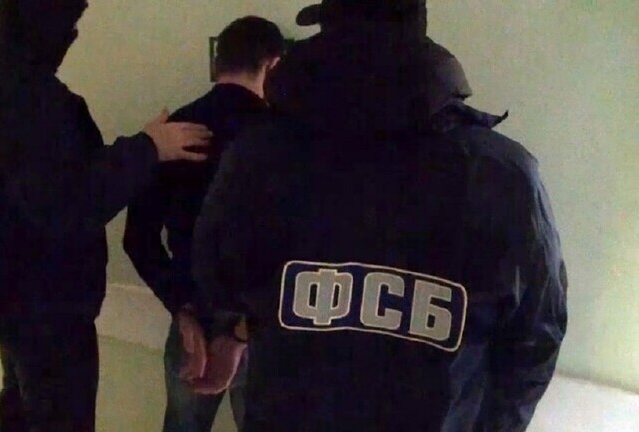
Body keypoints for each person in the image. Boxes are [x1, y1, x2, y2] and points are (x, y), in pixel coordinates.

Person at [191, 1, 568, 431]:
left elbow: (217, 277)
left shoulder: (258, 156)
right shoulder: (502, 173)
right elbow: (535, 338)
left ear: (327, 31)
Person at [0, 1, 211, 431]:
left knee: (20, 408)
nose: (73, 36)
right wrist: (148, 149)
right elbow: (68, 200)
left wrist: (140, 146)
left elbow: (31, 181)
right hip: (42, 306)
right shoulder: (29, 100)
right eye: (70, 24)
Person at [123, 16, 284, 432]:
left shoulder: (174, 132)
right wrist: (242, 332)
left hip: (193, 318)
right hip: (263, 326)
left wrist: (182, 307)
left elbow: (137, 239)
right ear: (273, 65)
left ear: (217, 63)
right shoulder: (284, 138)